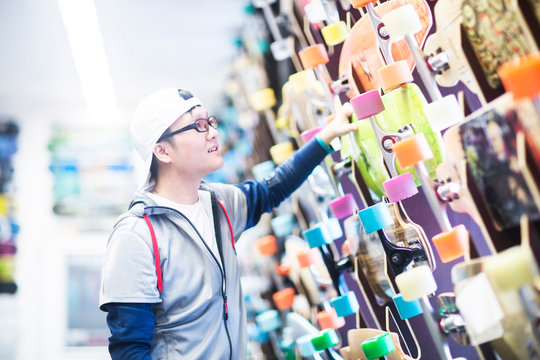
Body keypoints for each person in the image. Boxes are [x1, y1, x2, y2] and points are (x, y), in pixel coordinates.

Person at [99, 88, 357, 359]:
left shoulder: (219, 203)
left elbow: (271, 189)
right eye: (198, 126)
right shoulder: (137, 235)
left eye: (209, 122)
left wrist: (326, 138)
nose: (213, 132)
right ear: (162, 151)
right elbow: (129, 349)